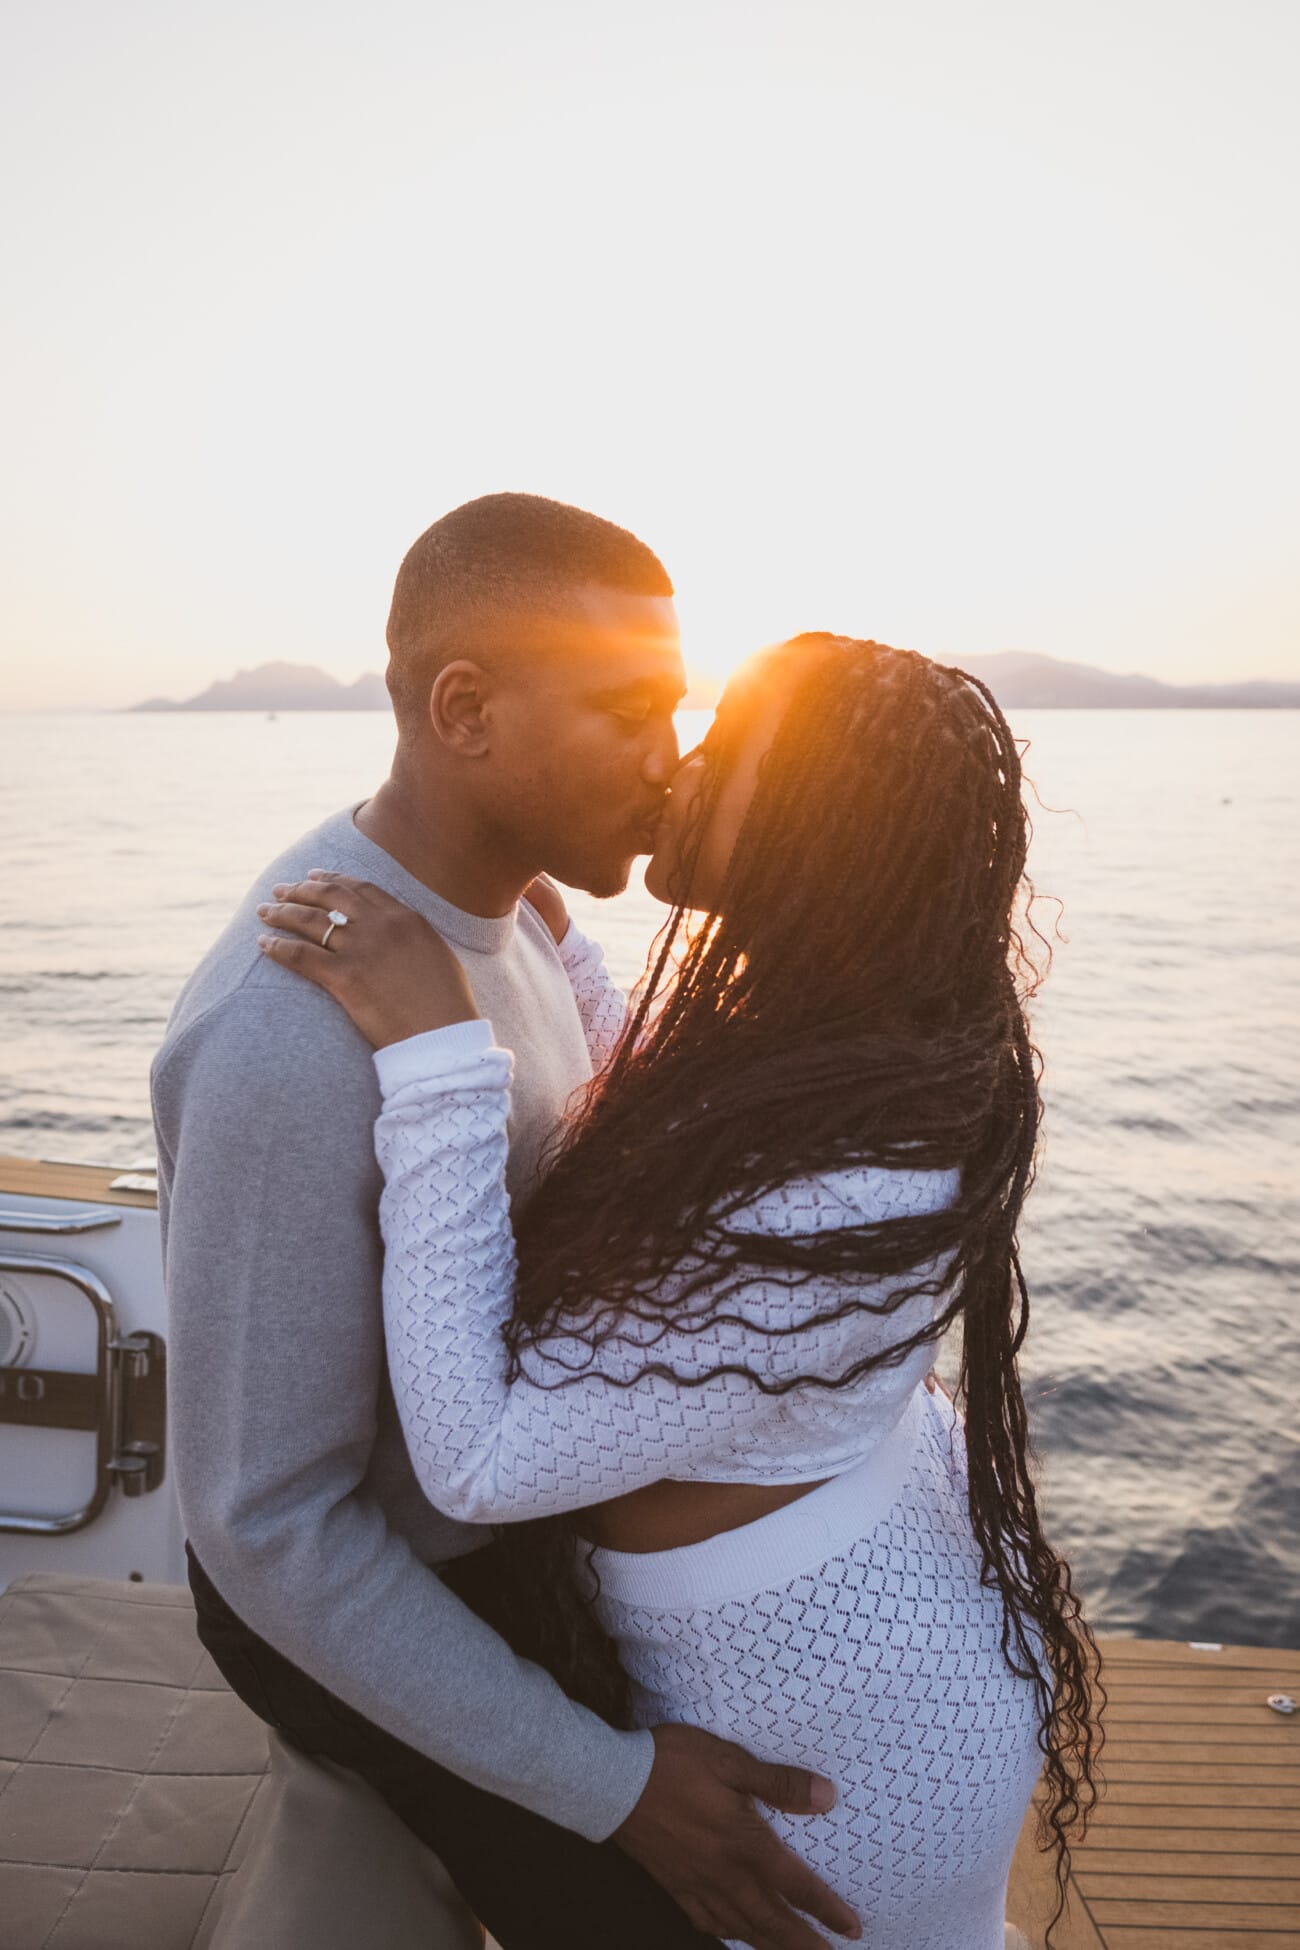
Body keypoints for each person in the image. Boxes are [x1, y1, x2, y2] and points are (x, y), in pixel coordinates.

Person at [258, 632, 1103, 1950]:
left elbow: (480, 1458)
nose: (679, 766)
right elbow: (696, 1153)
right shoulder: (862, 1046)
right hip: (852, 1676)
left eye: (726, 751)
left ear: (824, 830)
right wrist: (576, 968)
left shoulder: (850, 1183)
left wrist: (437, 1056)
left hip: (837, 1781)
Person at [153, 496, 859, 1950]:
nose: (673, 764)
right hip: (367, 1586)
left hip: (488, 1539)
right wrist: (612, 1786)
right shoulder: (289, 1040)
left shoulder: (510, 917)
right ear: (465, 710)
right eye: (629, 716)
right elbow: (268, 1525)